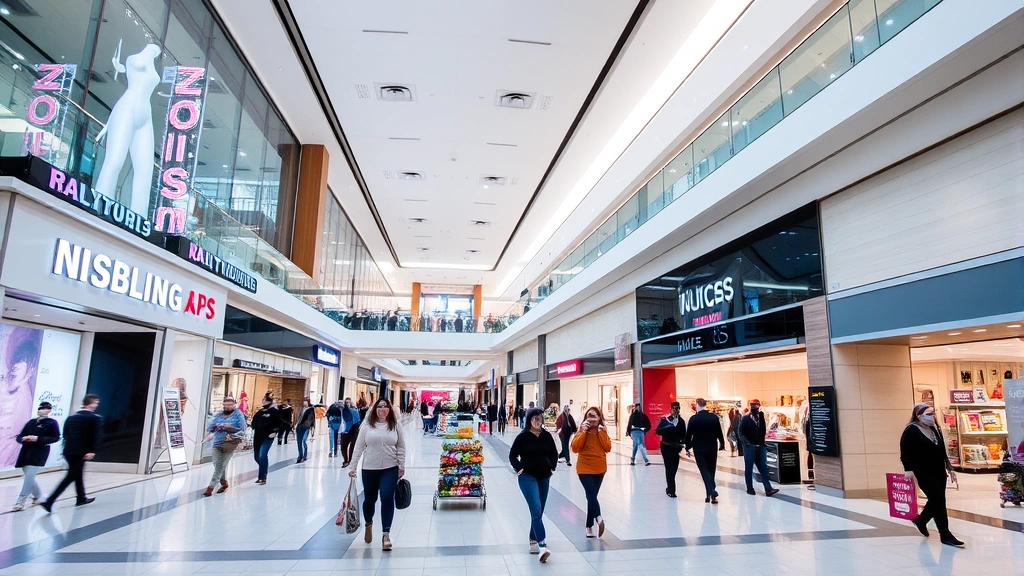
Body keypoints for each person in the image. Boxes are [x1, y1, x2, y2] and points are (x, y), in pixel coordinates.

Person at [901, 403, 963, 547]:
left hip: (939, 471)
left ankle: (921, 520)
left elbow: (942, 450)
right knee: (938, 500)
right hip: (923, 471)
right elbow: (905, 450)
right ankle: (945, 534)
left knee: (938, 499)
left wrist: (950, 468)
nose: (932, 416)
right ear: (918, 415)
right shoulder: (911, 430)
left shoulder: (934, 429)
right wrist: (908, 469)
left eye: (933, 413)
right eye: (928, 414)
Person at [348, 398, 406, 551]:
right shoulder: (367, 426)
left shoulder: (395, 425)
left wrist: (401, 464)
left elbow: (401, 446)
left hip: (390, 467)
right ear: (374, 410)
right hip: (369, 468)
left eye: (385, 407)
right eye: (379, 407)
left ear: (390, 410)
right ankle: (368, 523)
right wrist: (352, 466)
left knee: (387, 498)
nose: (382, 410)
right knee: (370, 499)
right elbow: (358, 447)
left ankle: (386, 534)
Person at [509, 407, 557, 563]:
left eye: (540, 419)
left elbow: (554, 453)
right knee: (536, 509)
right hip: (527, 477)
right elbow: (512, 455)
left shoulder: (546, 436)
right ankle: (542, 545)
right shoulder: (522, 437)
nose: (538, 421)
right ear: (529, 420)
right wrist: (519, 467)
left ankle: (532, 540)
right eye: (535, 419)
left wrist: (552, 467)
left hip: (544, 476)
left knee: (539, 510)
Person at [42, 395, 103, 512]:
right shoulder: (95, 418)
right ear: (91, 403)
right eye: (96, 403)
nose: (96, 405)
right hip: (81, 451)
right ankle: (50, 501)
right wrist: (91, 450)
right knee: (72, 475)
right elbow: (95, 436)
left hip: (69, 451)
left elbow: (65, 435)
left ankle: (81, 497)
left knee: (77, 473)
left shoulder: (71, 418)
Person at [571, 407, 612, 538]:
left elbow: (608, 448)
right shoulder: (582, 429)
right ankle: (598, 517)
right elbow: (575, 448)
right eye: (589, 416)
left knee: (591, 497)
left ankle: (589, 526)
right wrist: (583, 431)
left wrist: (602, 433)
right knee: (591, 494)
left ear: (600, 418)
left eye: (595, 416)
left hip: (599, 468)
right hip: (584, 468)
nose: (592, 419)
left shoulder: (602, 430)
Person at [12, 402, 59, 511]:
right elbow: (20, 435)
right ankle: (37, 496)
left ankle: (21, 501)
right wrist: (23, 439)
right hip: (26, 451)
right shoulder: (31, 422)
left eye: (46, 408)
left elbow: (55, 437)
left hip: (39, 452)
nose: (42, 410)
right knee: (28, 475)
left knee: (29, 476)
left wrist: (38, 439)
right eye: (41, 408)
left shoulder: (52, 423)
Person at [685, 398, 726, 504]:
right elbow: (719, 432)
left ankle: (711, 490)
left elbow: (689, 434)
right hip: (712, 446)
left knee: (703, 470)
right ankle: (710, 496)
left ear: (698, 405)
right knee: (711, 470)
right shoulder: (714, 417)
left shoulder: (694, 419)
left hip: (698, 447)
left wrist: (687, 447)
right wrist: (722, 443)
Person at [203, 396, 246, 497]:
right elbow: (210, 428)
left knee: (221, 466)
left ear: (233, 405)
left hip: (230, 443)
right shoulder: (219, 415)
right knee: (217, 464)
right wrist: (215, 426)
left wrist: (229, 427)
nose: (227, 407)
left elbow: (242, 428)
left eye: (229, 405)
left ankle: (210, 487)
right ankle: (224, 483)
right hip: (217, 443)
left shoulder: (238, 414)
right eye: (225, 405)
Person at [738, 399, 779, 497]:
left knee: (763, 467)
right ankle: (749, 487)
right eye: (753, 405)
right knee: (749, 467)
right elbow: (740, 433)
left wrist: (762, 442)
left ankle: (768, 488)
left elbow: (763, 430)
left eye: (756, 405)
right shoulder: (745, 418)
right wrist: (747, 443)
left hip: (760, 446)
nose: (755, 407)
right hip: (750, 447)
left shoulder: (761, 417)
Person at [655, 402, 686, 498]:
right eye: (674, 408)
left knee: (674, 468)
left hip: (676, 447)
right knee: (669, 468)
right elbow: (658, 430)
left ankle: (670, 487)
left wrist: (685, 445)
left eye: (678, 408)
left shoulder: (681, 421)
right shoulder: (665, 420)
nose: (676, 410)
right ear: (671, 409)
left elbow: (684, 434)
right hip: (667, 446)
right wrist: (670, 426)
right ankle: (671, 490)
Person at [251, 395, 282, 485]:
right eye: (263, 400)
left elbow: (279, 423)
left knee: (262, 455)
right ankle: (264, 467)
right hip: (258, 437)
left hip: (268, 437)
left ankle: (262, 477)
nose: (263, 402)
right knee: (257, 457)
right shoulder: (260, 412)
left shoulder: (275, 412)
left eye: (265, 400)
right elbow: (254, 422)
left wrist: (275, 432)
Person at [340, 398, 361, 466]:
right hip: (345, 432)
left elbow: (357, 420)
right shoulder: (343, 411)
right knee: (343, 447)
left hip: (352, 431)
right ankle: (346, 460)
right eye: (346, 402)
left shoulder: (354, 410)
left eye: (348, 402)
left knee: (352, 446)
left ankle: (350, 460)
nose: (347, 404)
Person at [294, 398, 315, 463]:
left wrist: (311, 427)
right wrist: (295, 425)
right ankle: (300, 455)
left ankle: (304, 455)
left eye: (306, 401)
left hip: (306, 427)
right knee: (299, 442)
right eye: (304, 401)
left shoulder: (311, 410)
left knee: (303, 441)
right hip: (299, 427)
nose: (305, 403)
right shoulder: (301, 409)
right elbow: (298, 418)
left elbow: (311, 420)